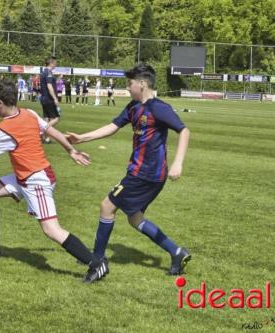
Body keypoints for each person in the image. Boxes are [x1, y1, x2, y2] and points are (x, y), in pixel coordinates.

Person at [0, 79, 108, 283]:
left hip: (36, 180)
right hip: (29, 176)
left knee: (51, 229)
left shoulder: (5, 128)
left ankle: (96, 263)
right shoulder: (28, 113)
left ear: (0, 103)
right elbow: (52, 131)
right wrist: (71, 150)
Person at [66, 63, 191, 276]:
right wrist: (82, 137)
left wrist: (178, 163)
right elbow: (112, 127)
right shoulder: (133, 107)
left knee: (107, 206)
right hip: (144, 173)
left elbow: (184, 131)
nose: (127, 87)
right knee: (135, 219)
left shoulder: (158, 108)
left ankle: (97, 258)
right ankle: (176, 251)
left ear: (142, 84)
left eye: (130, 83)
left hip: (145, 174)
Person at [40, 56, 60, 144]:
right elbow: (49, 86)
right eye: (55, 62)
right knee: (56, 118)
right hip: (49, 98)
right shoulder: (48, 73)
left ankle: (46, 139)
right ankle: (40, 132)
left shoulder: (44, 72)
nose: (56, 64)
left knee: (46, 118)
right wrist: (55, 98)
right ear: (51, 63)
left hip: (44, 98)